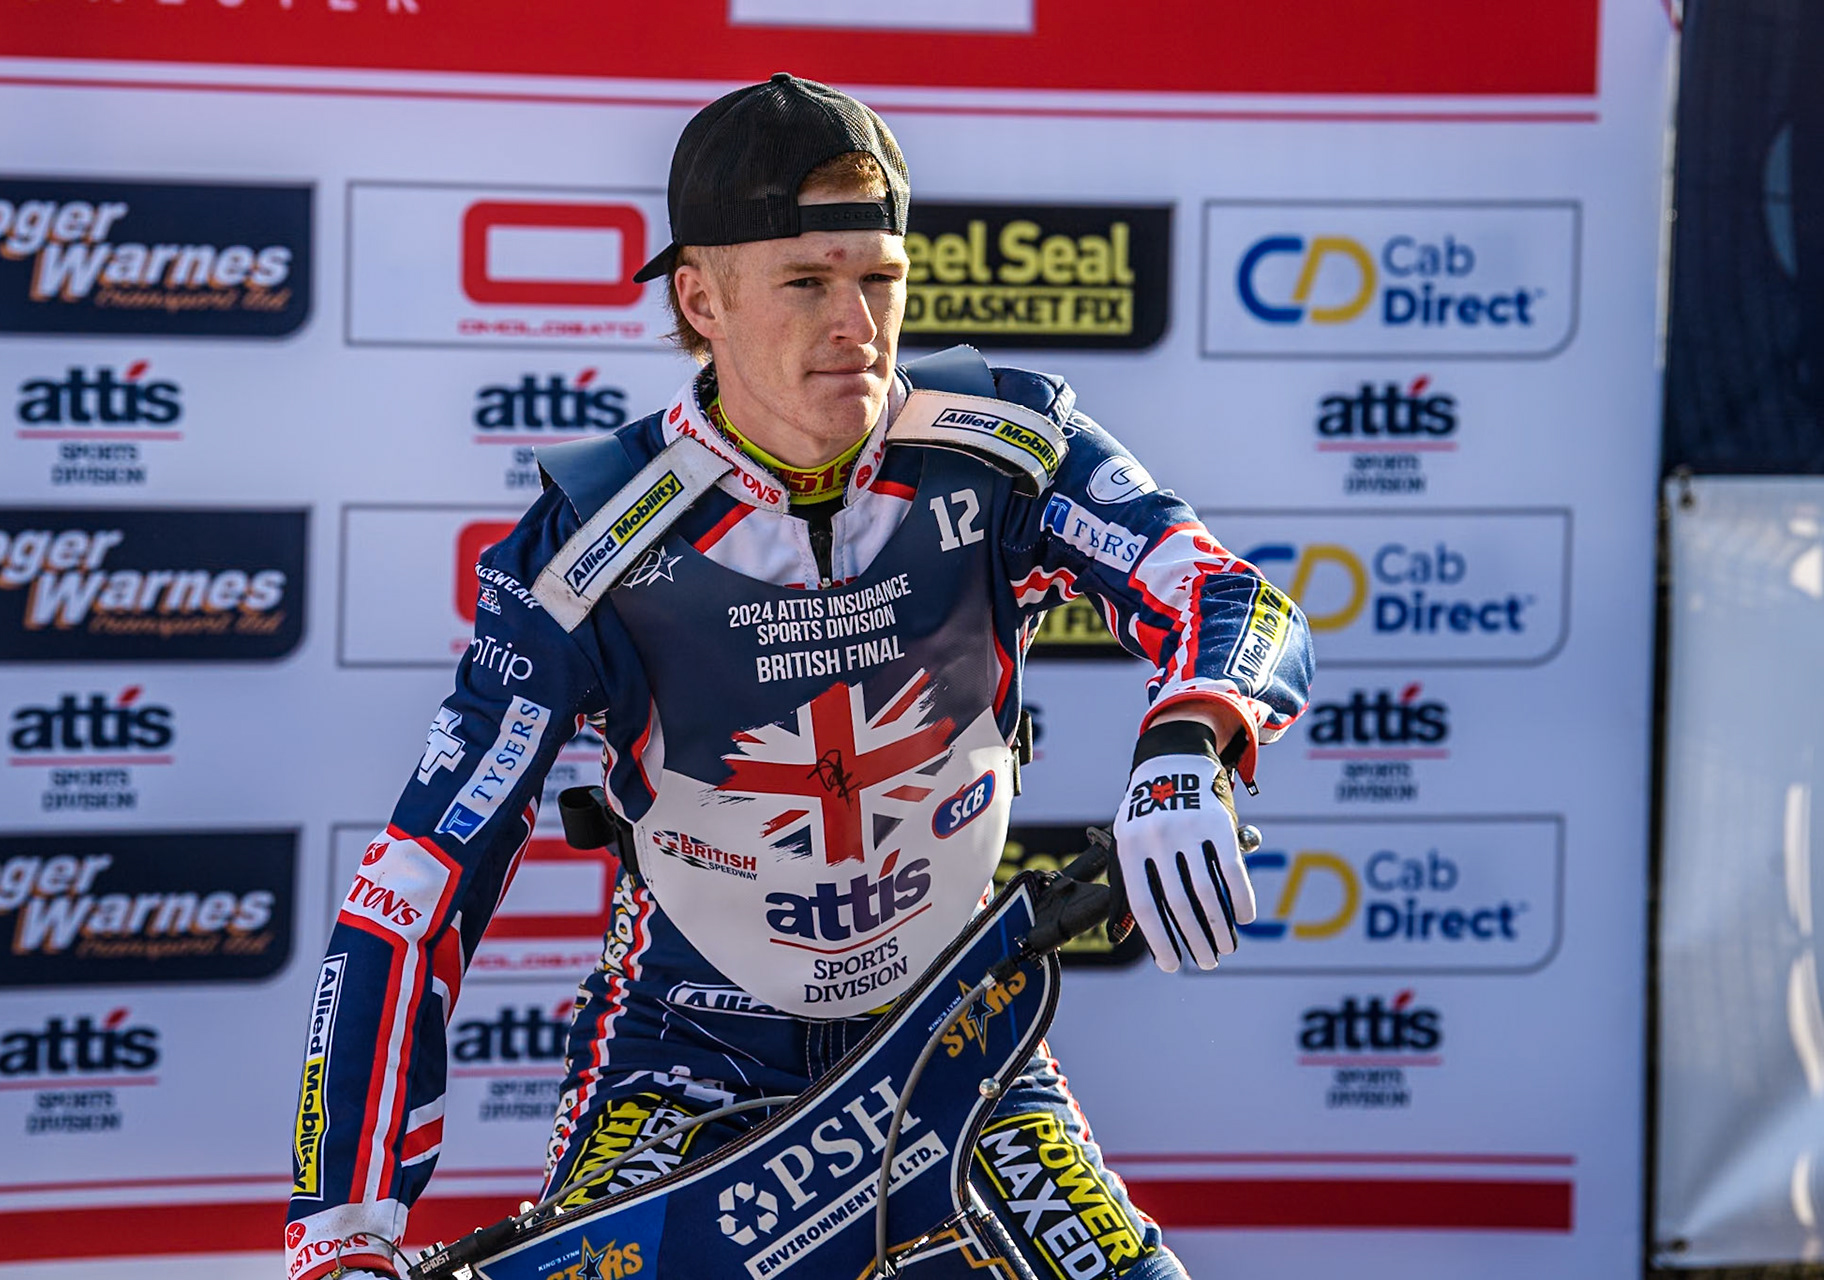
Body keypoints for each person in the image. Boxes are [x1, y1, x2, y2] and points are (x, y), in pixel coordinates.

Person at [284, 73, 1312, 1280]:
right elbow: (421, 875)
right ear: (700, 297)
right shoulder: (591, 539)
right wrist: (342, 1228)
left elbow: (1224, 590)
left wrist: (1192, 734)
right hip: (685, 1054)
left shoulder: (1000, 447)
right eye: (809, 281)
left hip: (951, 1033)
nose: (858, 325)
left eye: (880, 278)